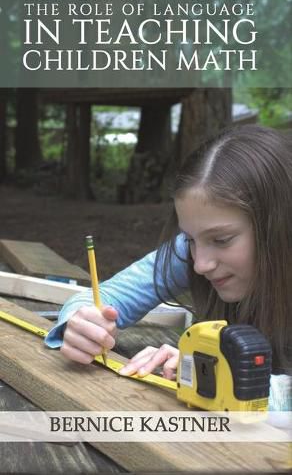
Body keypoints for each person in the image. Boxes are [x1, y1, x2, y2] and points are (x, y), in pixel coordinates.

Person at [45, 124, 292, 411]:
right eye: (189, 239)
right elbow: (107, 295)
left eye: (222, 240)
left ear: (280, 226)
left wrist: (211, 375)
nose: (200, 264)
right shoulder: (193, 251)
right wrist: (82, 323)